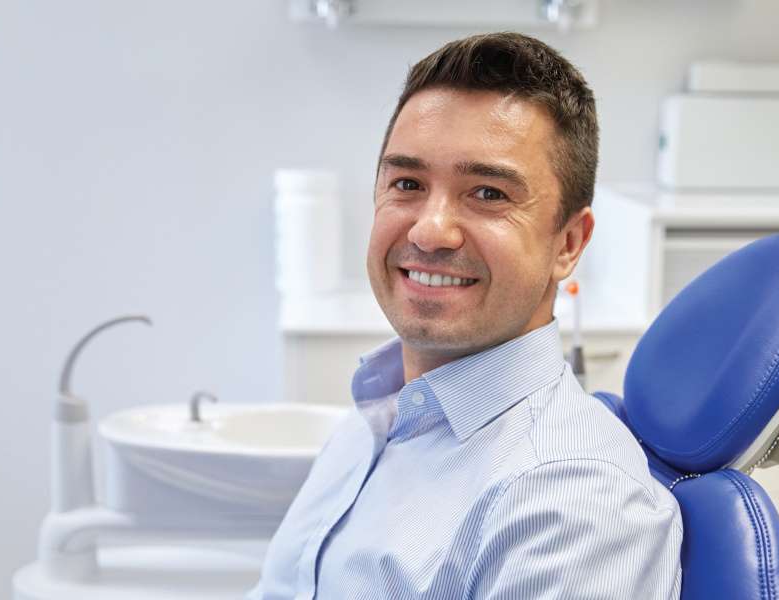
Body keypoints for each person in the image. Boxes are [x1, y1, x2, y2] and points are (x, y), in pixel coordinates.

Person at [248, 32, 681, 599]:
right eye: (407, 183)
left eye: (488, 194)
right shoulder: (374, 420)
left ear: (568, 243)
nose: (430, 230)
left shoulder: (574, 506)